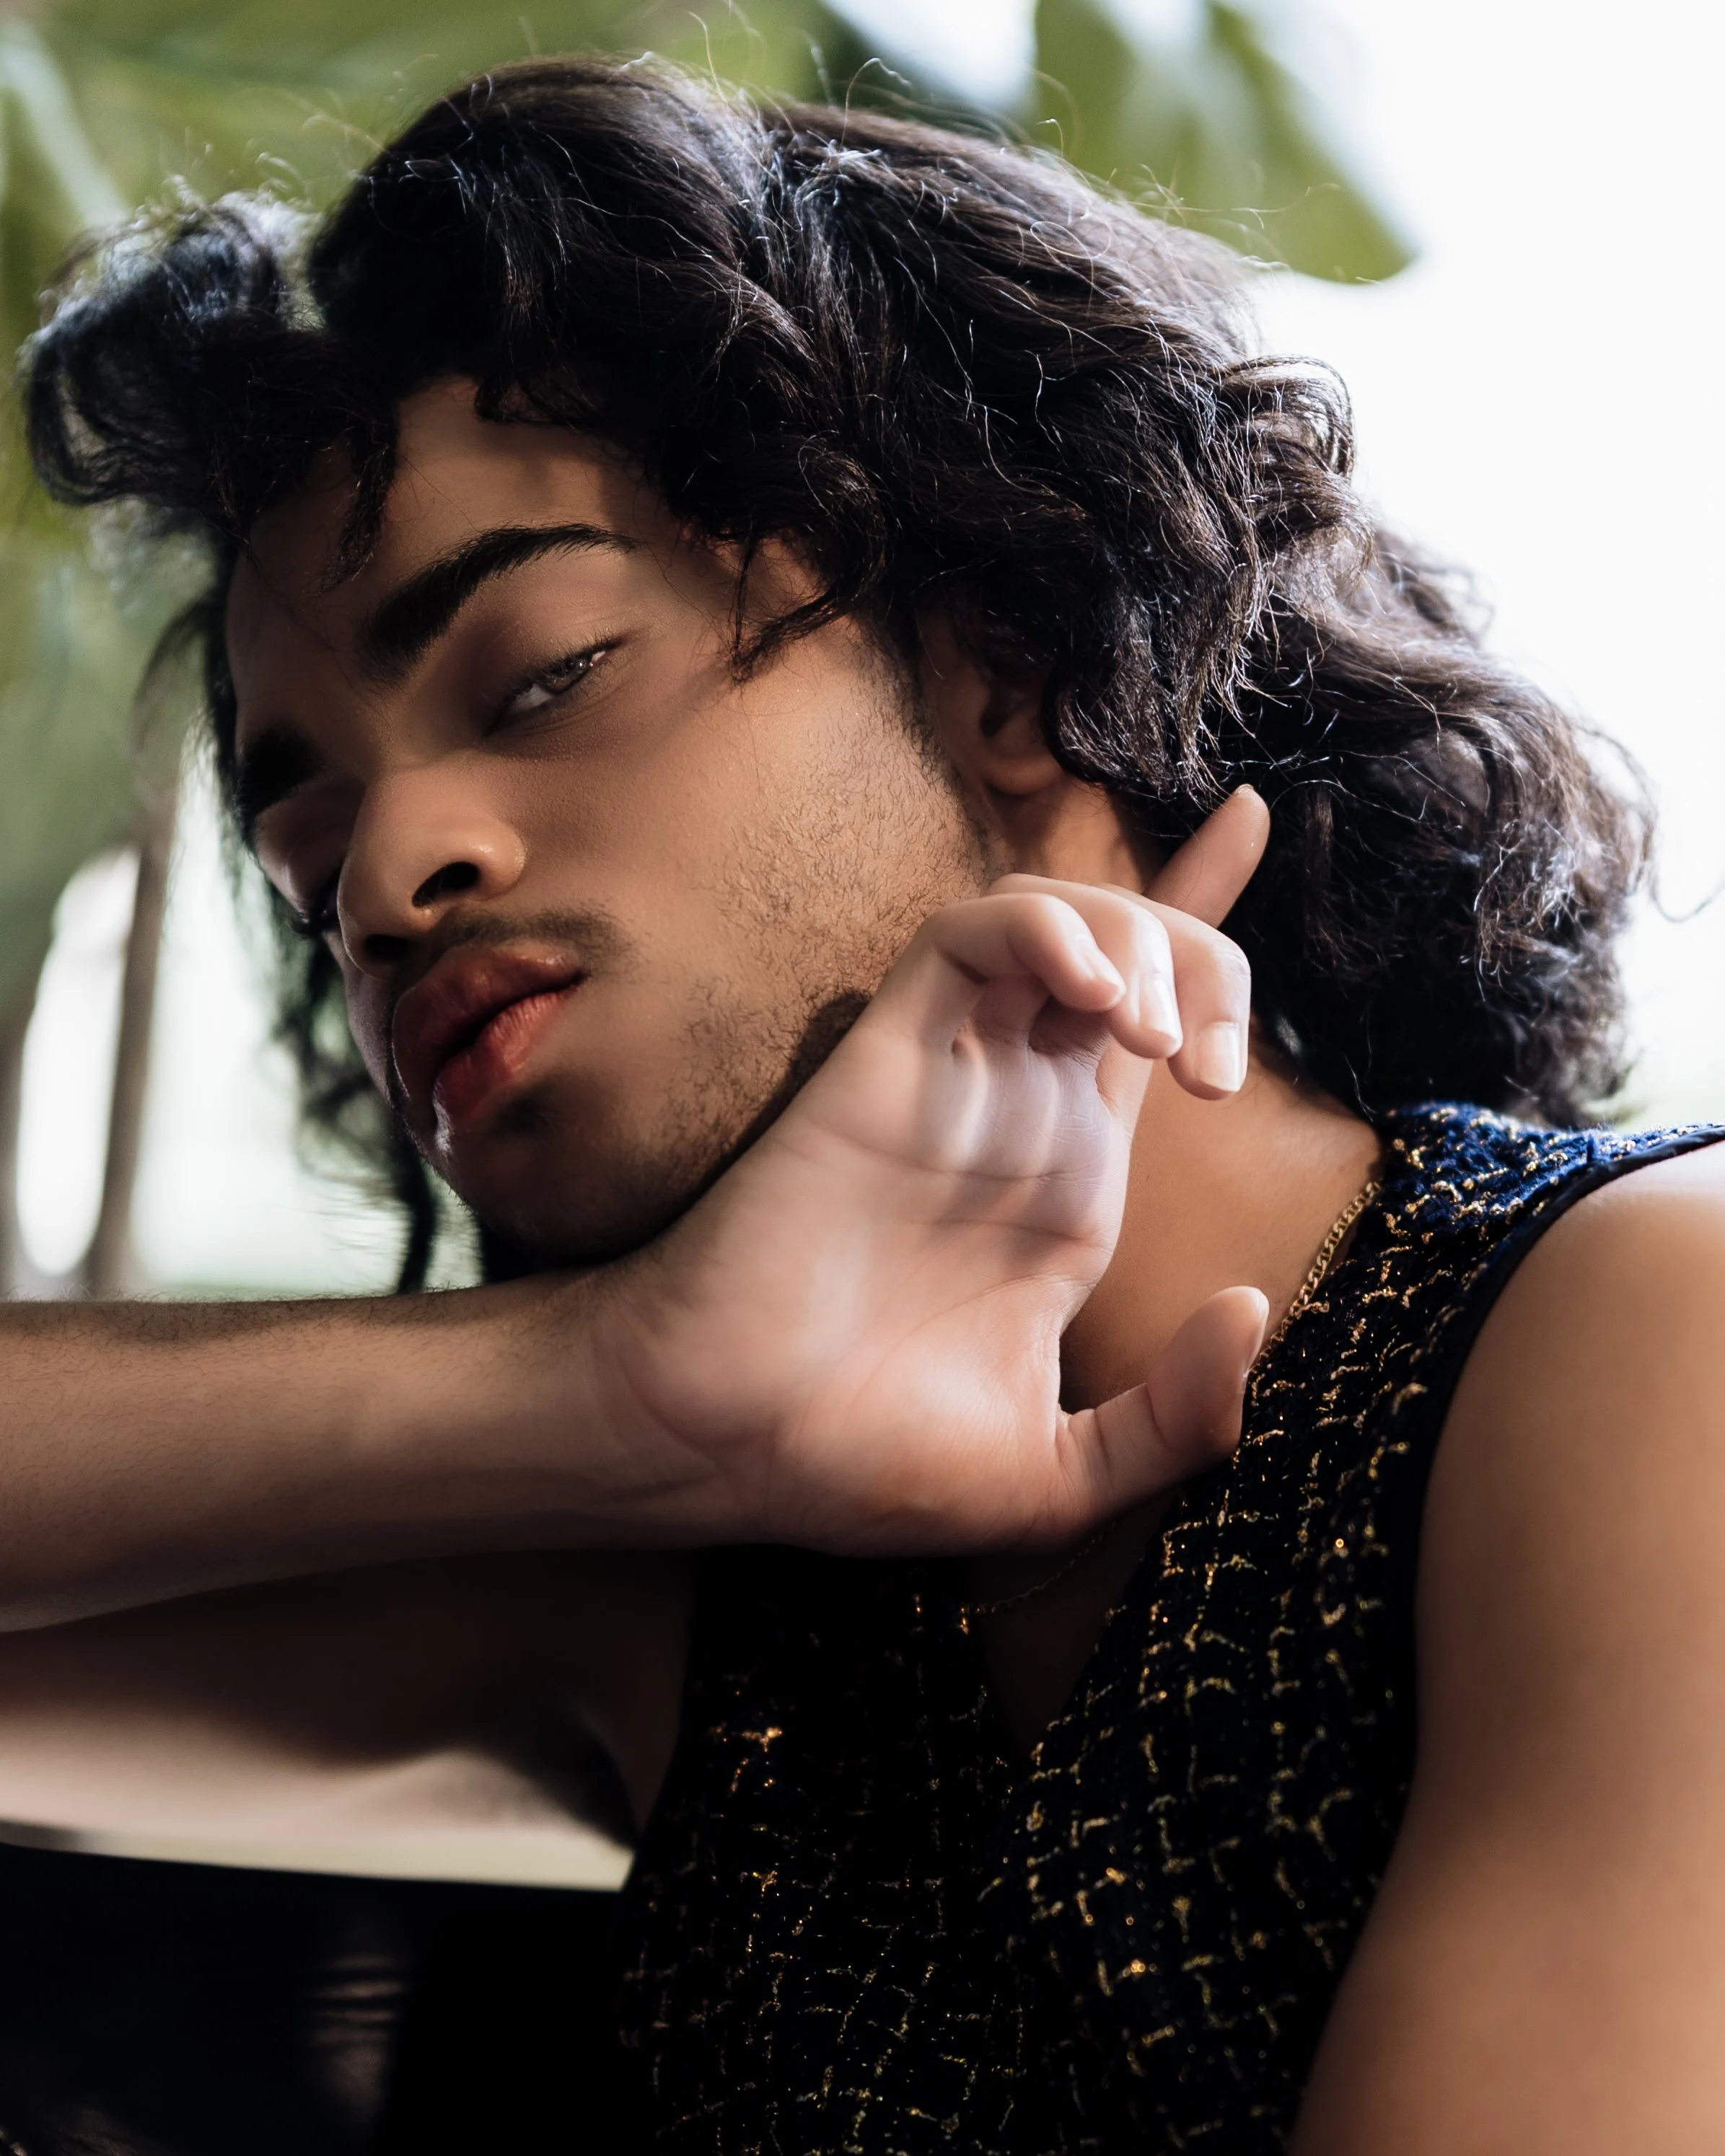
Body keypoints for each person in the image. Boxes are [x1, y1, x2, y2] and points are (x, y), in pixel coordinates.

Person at [5, 53, 1725, 2154]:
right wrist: (599, 1387)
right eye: (306, 860)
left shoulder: (1646, 1336)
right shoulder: (677, 1573)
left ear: (1005, 659)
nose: (384, 878)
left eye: (542, 676)